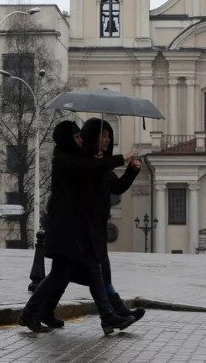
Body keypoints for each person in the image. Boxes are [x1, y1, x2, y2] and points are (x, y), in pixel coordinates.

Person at [17, 120, 137, 335]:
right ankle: (108, 316)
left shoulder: (82, 160)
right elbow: (87, 169)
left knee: (70, 273)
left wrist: (128, 170)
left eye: (82, 137)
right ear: (67, 139)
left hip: (79, 230)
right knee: (75, 272)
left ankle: (40, 312)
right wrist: (119, 159)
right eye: (77, 137)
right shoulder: (64, 159)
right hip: (68, 229)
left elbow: (112, 183)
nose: (81, 139)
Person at [75, 117, 146, 323]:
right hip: (84, 227)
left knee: (97, 271)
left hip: (97, 226)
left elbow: (116, 188)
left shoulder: (101, 164)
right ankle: (113, 314)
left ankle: (117, 312)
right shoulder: (85, 162)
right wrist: (114, 160)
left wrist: (132, 171)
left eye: (109, 136)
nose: (107, 140)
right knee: (94, 271)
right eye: (103, 136)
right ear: (92, 137)